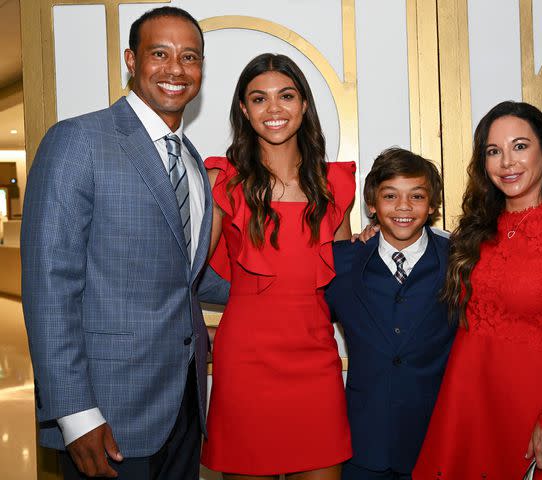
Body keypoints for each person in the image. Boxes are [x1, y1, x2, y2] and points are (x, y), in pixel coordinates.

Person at [21, 7, 229, 479]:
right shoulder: (78, 140)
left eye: (190, 57)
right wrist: (74, 414)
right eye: (161, 53)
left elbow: (186, 280)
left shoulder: (195, 164)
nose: (176, 69)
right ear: (131, 60)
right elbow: (48, 286)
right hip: (107, 413)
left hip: (184, 409)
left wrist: (308, 283)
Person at [412, 101, 542, 479]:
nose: (507, 161)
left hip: (536, 404)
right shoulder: (474, 231)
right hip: (468, 401)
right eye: (494, 151)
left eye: (520, 146)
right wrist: (372, 233)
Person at [199, 53, 354, 479]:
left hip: (316, 360)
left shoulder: (333, 184)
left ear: (304, 105)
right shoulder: (224, 181)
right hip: (246, 364)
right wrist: (194, 329)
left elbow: (341, 280)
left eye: (286, 96)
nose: (274, 109)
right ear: (244, 112)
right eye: (259, 99)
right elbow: (182, 276)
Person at [325, 148, 455, 480]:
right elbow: (299, 325)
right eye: (390, 196)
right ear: (372, 205)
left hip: (436, 439)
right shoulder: (342, 263)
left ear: (432, 206)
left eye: (417, 196)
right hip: (363, 441)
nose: (403, 207)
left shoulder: (460, 262)